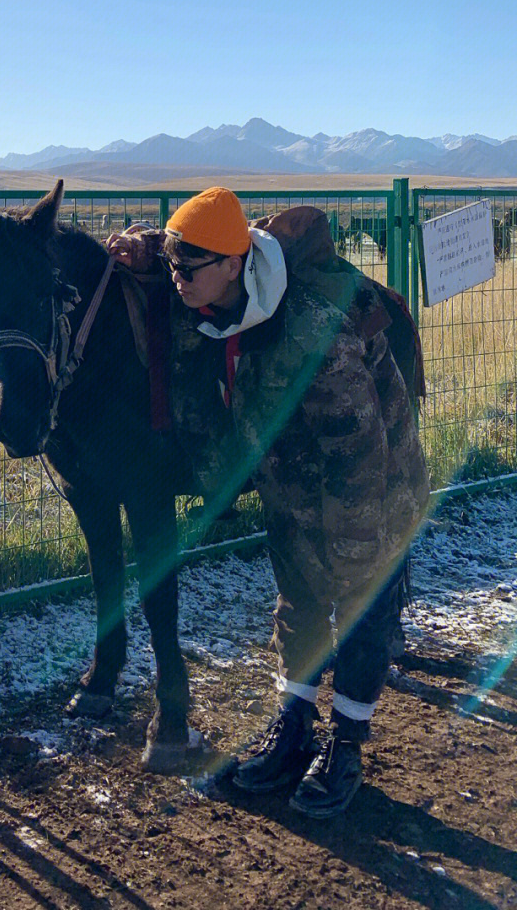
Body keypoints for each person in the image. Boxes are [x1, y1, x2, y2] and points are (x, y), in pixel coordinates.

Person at [108, 187, 429, 818]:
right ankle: (294, 730)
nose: (176, 280)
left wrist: (355, 553)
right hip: (293, 487)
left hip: (370, 492)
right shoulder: (210, 297)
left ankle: (345, 749)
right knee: (300, 608)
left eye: (187, 268)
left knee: (360, 614)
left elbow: (358, 451)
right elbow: (170, 267)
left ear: (234, 263)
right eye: (175, 266)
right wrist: (149, 249)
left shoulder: (313, 330)